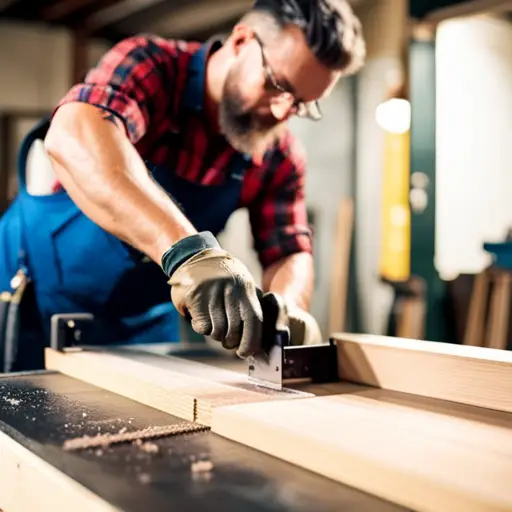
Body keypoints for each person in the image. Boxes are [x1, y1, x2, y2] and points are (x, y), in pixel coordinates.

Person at [0, 0, 365, 370]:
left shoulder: (278, 154)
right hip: (27, 297)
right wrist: (188, 253)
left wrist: (289, 306)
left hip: (144, 324)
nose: (279, 112)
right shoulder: (151, 67)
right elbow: (72, 135)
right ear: (241, 41)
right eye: (277, 85)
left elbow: (289, 249)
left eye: (301, 104)